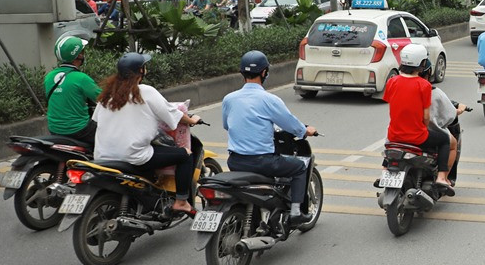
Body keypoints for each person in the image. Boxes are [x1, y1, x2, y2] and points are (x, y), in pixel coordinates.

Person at [92, 53, 201, 215]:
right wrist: (192, 120)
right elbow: (172, 114)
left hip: (103, 156)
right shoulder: (146, 92)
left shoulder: (107, 95)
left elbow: (96, 120)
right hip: (133, 156)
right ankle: (181, 202)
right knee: (185, 155)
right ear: (141, 71)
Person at [221, 51, 317, 225]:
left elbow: (227, 125)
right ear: (264, 72)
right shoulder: (269, 99)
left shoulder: (229, 99)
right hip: (263, 162)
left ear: (242, 73)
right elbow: (291, 125)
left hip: (235, 161)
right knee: (299, 167)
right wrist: (305, 131)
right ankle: (296, 212)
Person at [382, 43, 454, 193]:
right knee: (444, 140)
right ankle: (441, 177)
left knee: (391, 143)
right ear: (422, 64)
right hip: (417, 137)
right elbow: (426, 117)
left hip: (394, 135)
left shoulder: (392, 81)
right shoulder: (424, 85)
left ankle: (384, 170)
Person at [44, 35, 101, 145]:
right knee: (106, 137)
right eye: (82, 52)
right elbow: (104, 99)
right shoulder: (81, 78)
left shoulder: (49, 77)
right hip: (79, 129)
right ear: (78, 55)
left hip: (54, 129)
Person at [417, 59, 467, 186]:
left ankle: (385, 171)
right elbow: (449, 115)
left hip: (398, 132)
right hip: (420, 133)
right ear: (429, 72)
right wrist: (457, 110)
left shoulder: (398, 86)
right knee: (450, 142)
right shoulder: (433, 92)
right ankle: (442, 177)